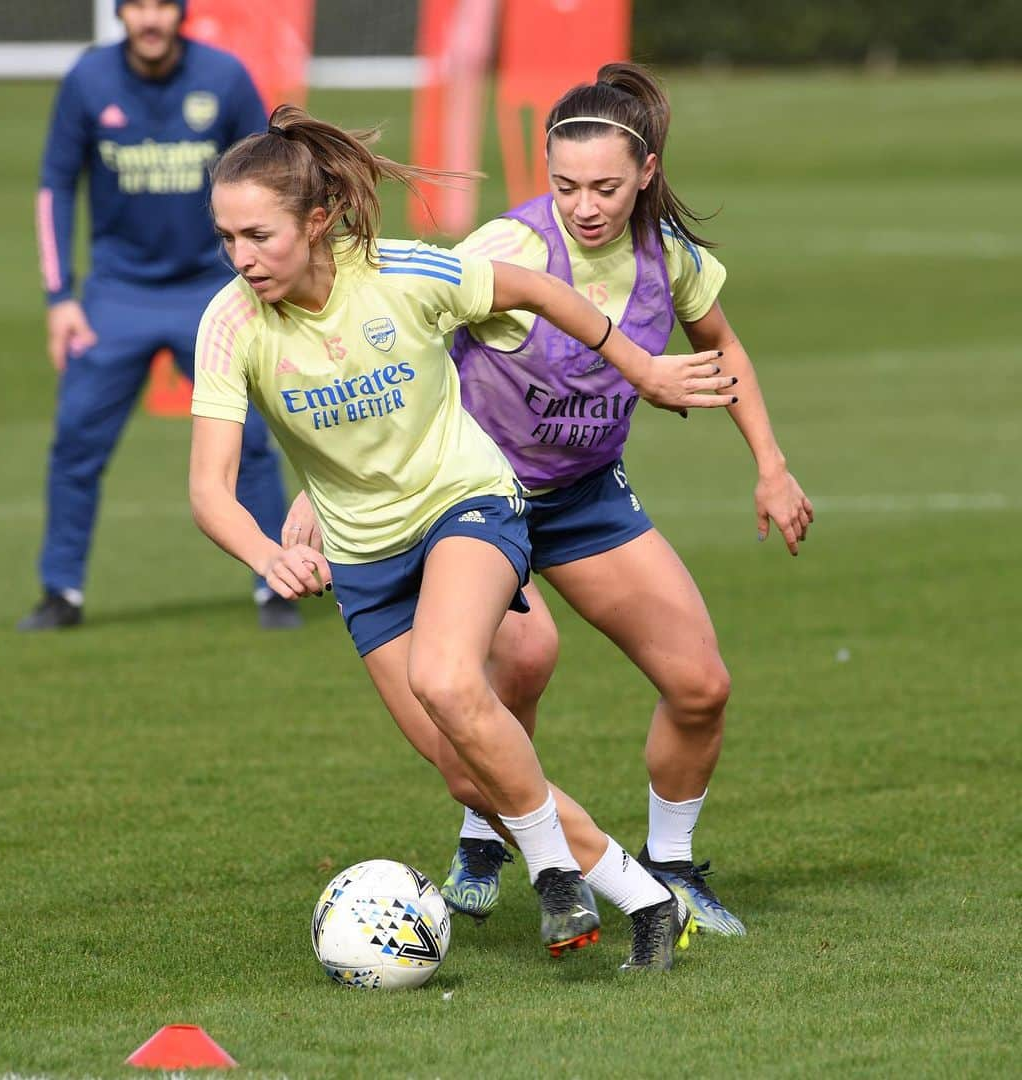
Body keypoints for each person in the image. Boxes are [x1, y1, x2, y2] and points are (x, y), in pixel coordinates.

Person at [189, 105, 739, 967]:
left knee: (446, 676)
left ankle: (552, 872)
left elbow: (540, 291)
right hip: (365, 562)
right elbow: (208, 490)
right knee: (465, 772)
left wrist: (643, 368)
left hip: (467, 505)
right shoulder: (230, 324)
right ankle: (645, 897)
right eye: (226, 238)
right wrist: (270, 553)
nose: (240, 257)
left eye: (257, 234)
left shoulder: (402, 273)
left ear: (316, 219)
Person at [286, 63, 813, 935]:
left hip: (582, 497)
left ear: (645, 174)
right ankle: (487, 834)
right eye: (565, 185)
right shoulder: (507, 249)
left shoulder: (668, 259)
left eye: (606, 186)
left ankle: (674, 868)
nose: (585, 205)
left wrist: (772, 465)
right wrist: (324, 480)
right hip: (472, 502)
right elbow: (390, 352)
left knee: (701, 685)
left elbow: (726, 352)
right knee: (521, 664)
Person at [22, 0, 297, 631]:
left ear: (181, 13)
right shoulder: (87, 80)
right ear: (121, 13)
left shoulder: (225, 77)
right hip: (116, 295)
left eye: (161, 6)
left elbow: (274, 180)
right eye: (136, 6)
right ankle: (61, 590)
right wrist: (59, 296)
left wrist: (266, 277)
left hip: (212, 289)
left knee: (250, 443)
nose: (149, 19)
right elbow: (54, 184)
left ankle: (275, 581)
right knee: (75, 443)